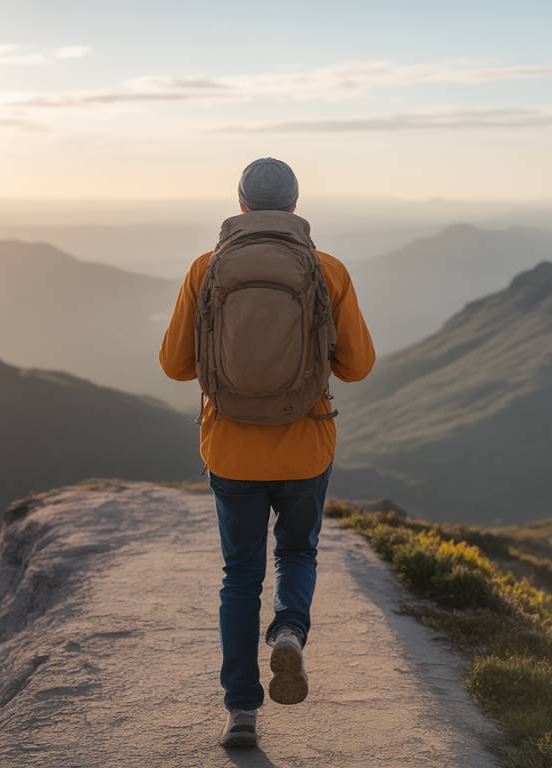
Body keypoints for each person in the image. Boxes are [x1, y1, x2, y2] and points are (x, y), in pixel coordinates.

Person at [158, 157, 375, 749]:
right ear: (297, 208)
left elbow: (175, 365)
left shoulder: (206, 268)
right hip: (305, 446)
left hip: (230, 449)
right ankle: (289, 632)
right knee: (298, 551)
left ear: (241, 206)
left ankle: (240, 712)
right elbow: (357, 367)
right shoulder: (326, 269)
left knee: (239, 576)